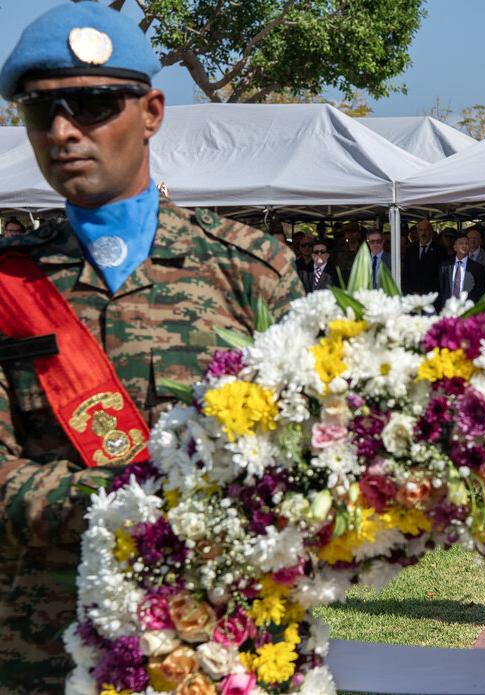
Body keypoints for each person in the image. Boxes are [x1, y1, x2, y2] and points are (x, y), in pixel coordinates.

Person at [0, 4, 304, 691]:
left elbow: (305, 458)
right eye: (39, 111)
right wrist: (146, 495)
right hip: (45, 653)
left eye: (93, 104)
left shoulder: (251, 269)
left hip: (221, 648)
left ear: (152, 111)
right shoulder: (6, 284)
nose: (63, 132)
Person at [436, 234, 485, 311]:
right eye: (461, 243)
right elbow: (442, 288)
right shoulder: (445, 266)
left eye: (466, 243)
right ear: (454, 247)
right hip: (449, 308)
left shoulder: (477, 267)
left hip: (468, 309)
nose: (464, 245)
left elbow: (480, 291)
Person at [402, 218, 446, 295]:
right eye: (421, 230)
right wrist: (409, 292)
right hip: (412, 297)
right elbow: (405, 274)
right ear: (417, 232)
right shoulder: (410, 250)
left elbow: (440, 277)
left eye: (426, 230)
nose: (423, 233)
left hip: (431, 297)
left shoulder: (440, 250)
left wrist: (425, 293)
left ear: (431, 232)